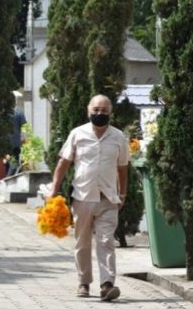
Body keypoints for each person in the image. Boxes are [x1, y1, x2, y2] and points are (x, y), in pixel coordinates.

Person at [48, 94, 129, 301]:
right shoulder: (78, 134)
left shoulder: (118, 137)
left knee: (106, 241)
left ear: (110, 112)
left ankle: (107, 284)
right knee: (82, 242)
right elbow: (63, 163)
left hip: (108, 198)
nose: (99, 114)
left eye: (103, 110)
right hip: (83, 196)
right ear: (88, 111)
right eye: (95, 110)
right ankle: (84, 282)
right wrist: (54, 190)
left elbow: (122, 168)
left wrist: (122, 193)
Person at [6, 98, 27, 176]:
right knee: (13, 163)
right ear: (15, 103)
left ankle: (7, 179)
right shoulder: (19, 113)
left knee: (8, 162)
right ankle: (7, 179)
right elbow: (24, 128)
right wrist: (24, 140)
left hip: (3, 143)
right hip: (15, 143)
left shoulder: (2, 114)